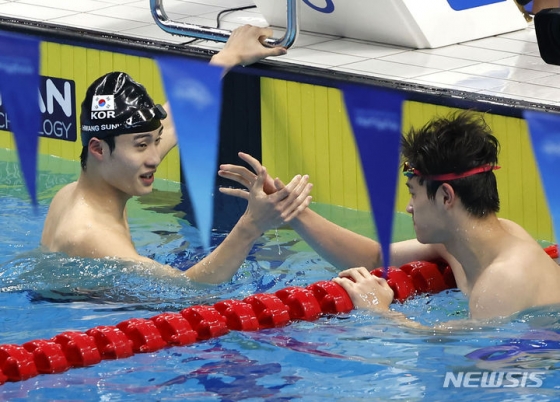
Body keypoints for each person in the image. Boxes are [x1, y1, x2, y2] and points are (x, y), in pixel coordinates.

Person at [218, 111, 560, 321]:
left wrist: (379, 311)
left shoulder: (504, 279)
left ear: (445, 197)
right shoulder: (465, 241)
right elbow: (376, 257)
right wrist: (293, 212)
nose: (409, 208)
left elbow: (467, 359)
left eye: (413, 194)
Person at [41, 25, 313, 285]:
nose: (155, 158)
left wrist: (229, 56)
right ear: (98, 149)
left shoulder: (73, 193)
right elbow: (189, 290)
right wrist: (252, 225)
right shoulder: (92, 236)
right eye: (140, 145)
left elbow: (174, 120)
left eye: (154, 142)